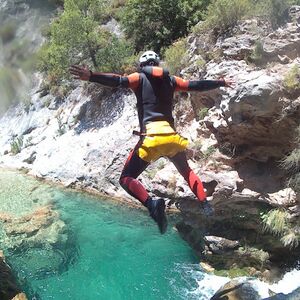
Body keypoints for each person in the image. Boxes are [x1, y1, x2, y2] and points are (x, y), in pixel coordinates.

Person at [70, 50, 233, 234]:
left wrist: (92, 76)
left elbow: (118, 81)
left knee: (125, 178)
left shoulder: (138, 78)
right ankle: (205, 204)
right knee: (187, 172)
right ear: (157, 63)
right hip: (172, 138)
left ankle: (152, 205)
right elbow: (196, 85)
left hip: (151, 138)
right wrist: (221, 82)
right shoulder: (171, 81)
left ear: (142, 66)